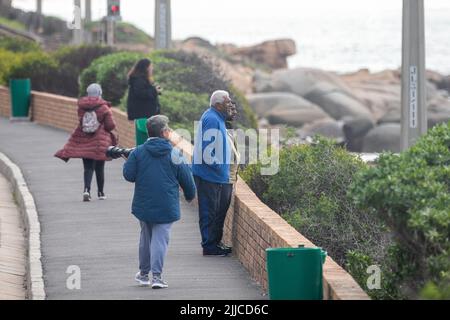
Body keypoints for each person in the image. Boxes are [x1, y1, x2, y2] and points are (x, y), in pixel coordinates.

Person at [123, 115, 196, 289]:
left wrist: (129, 161)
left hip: (144, 203)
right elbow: (187, 179)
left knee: (145, 237)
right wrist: (189, 195)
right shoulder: (174, 153)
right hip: (166, 204)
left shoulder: (138, 152)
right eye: (168, 129)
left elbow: (129, 175)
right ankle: (156, 277)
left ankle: (143, 274)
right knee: (160, 239)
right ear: (164, 132)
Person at [55, 83, 117, 201]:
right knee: (100, 167)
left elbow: (81, 121)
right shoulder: (104, 108)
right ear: (100, 93)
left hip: (85, 140)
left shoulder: (81, 107)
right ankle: (100, 192)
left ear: (88, 93)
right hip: (100, 141)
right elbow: (110, 125)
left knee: (88, 168)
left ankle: (86, 190)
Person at [192, 90, 234, 256]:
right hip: (209, 175)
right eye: (227, 101)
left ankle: (214, 243)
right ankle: (209, 246)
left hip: (216, 175)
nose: (230, 104)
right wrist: (218, 166)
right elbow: (206, 149)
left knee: (216, 211)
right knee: (209, 211)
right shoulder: (211, 118)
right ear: (218, 104)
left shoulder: (218, 118)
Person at [126, 58, 162, 146]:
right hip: (143, 116)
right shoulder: (139, 80)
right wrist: (154, 91)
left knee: (143, 143)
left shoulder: (141, 80)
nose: (152, 68)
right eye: (151, 66)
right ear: (145, 68)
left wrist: (154, 90)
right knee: (145, 143)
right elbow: (141, 94)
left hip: (144, 115)